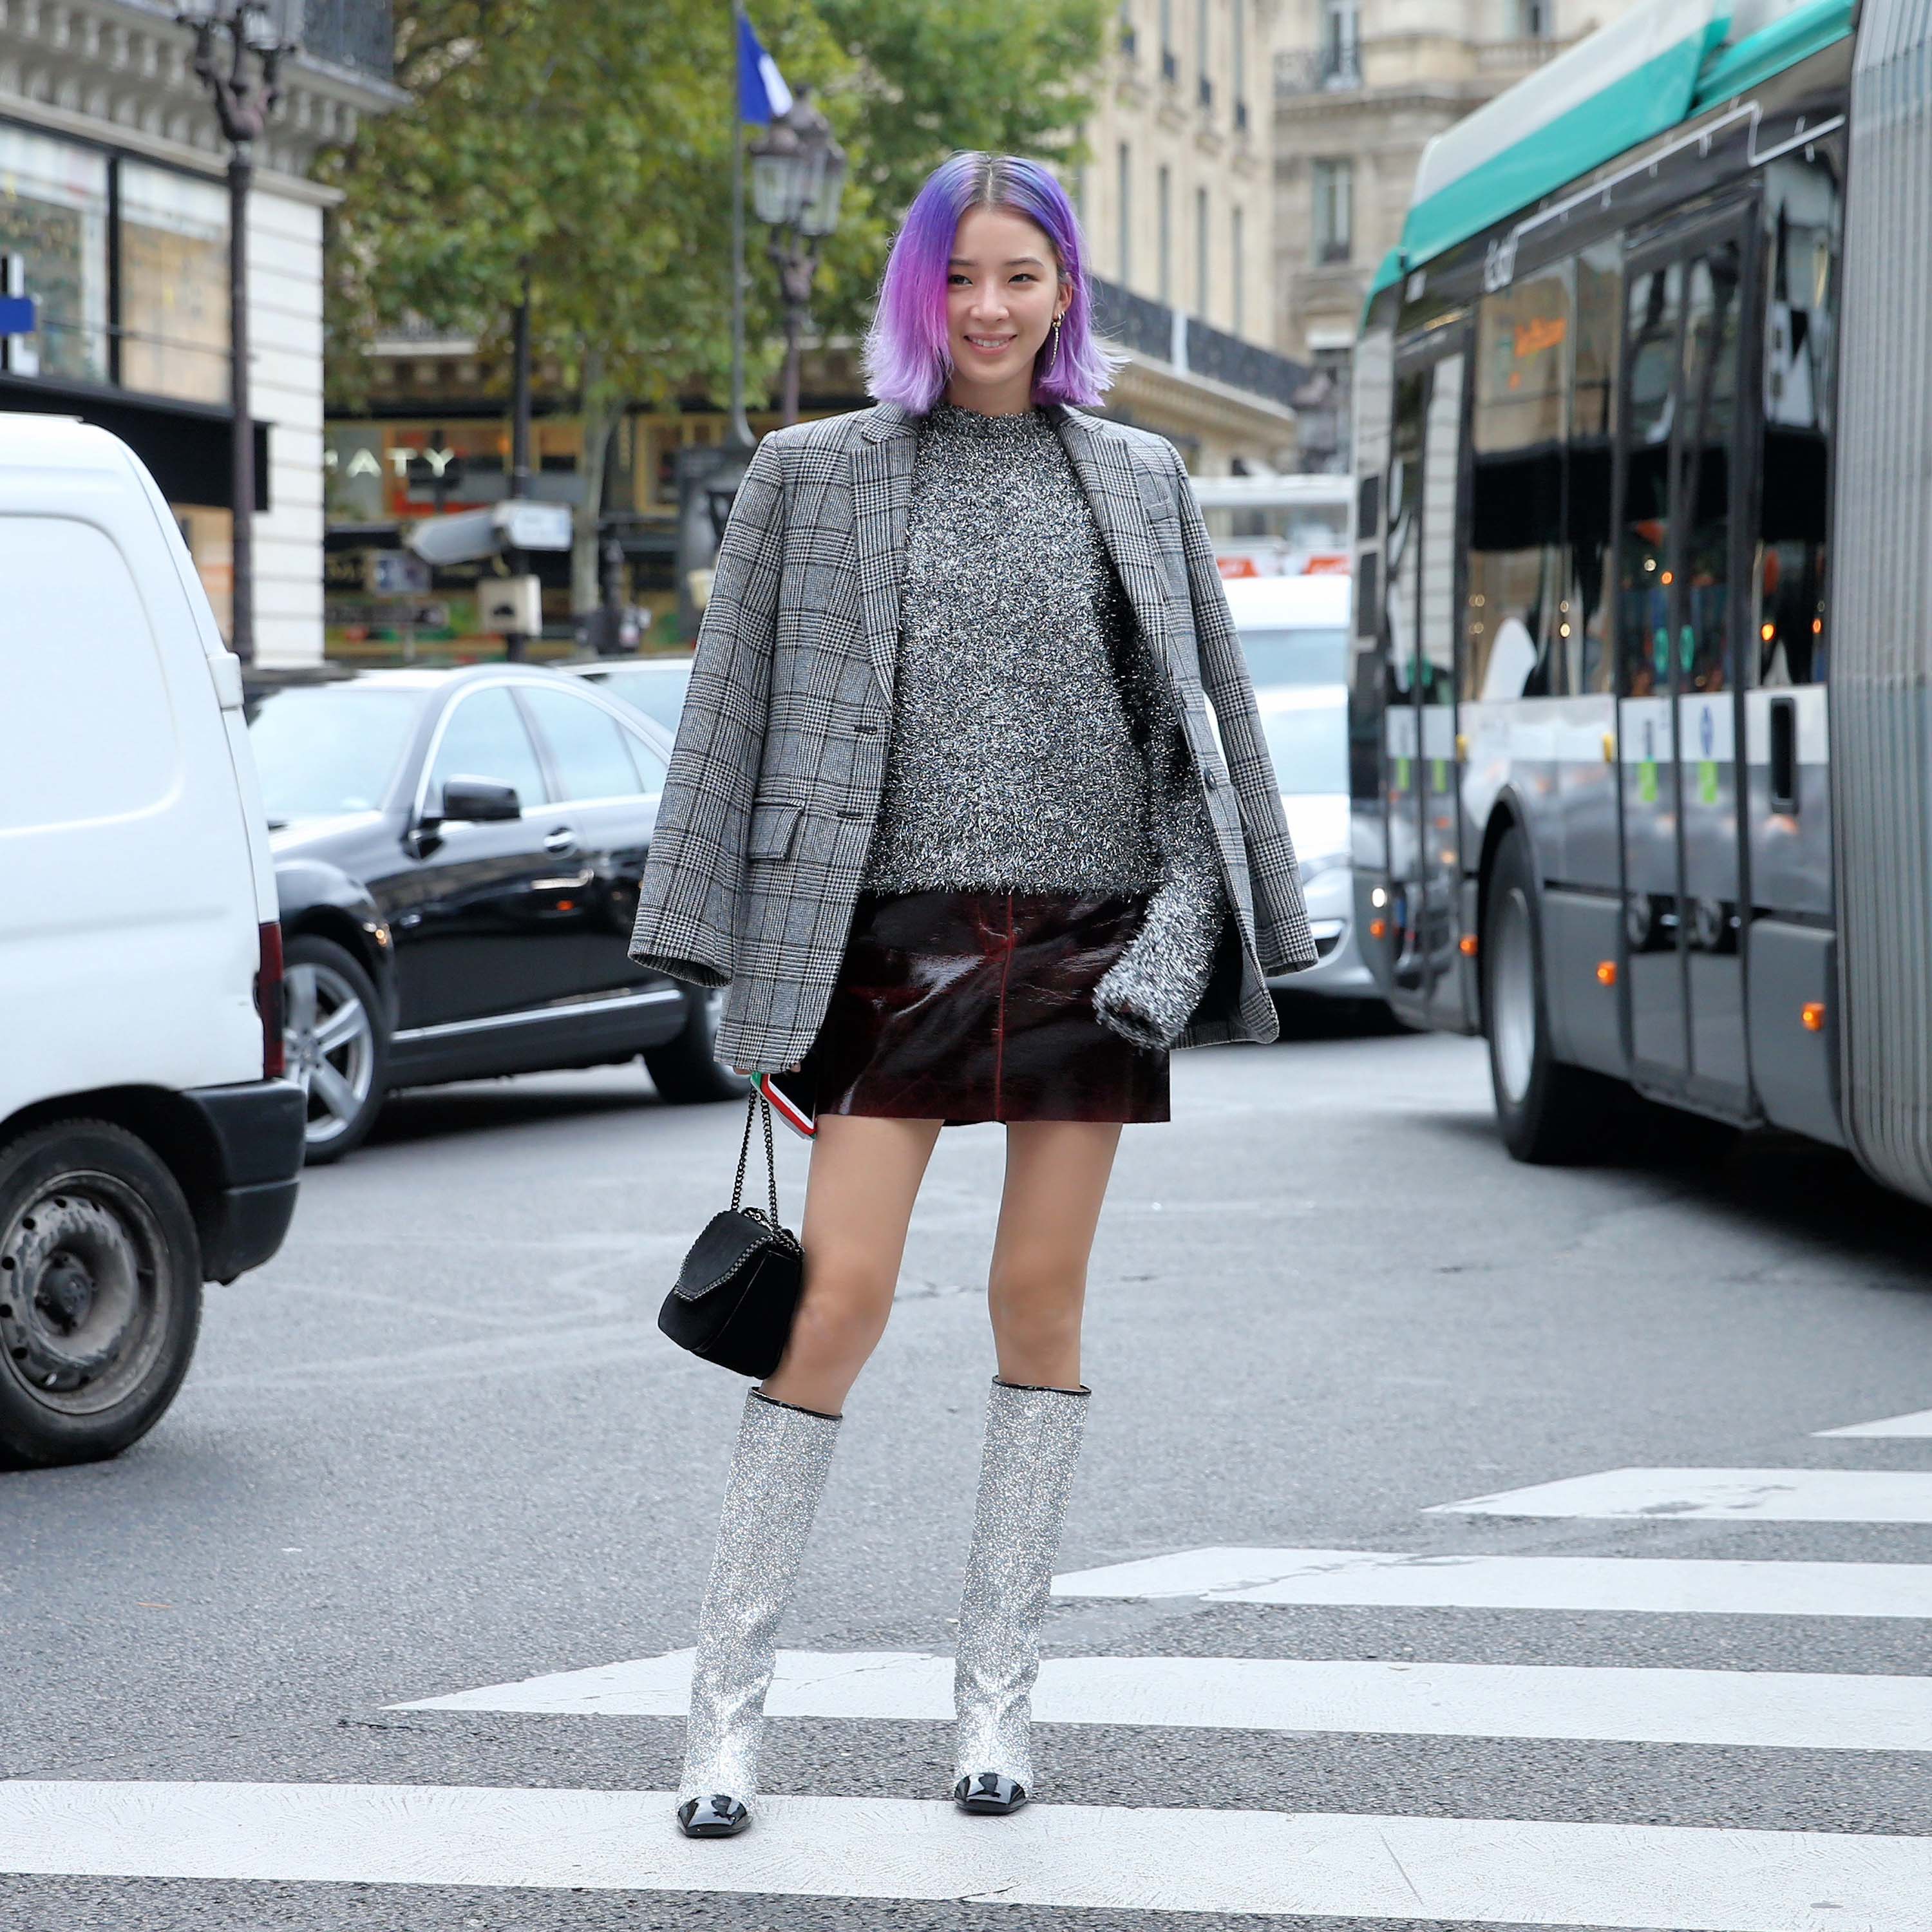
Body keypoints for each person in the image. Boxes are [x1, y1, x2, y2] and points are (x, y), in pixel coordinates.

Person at [627, 150, 1316, 1840]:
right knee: (838, 1298)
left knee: (1037, 1305)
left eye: (1022, 275)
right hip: (892, 942)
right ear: (916, 294)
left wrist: (1173, 956)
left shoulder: (1139, 474)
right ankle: (724, 1723)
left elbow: (1203, 744)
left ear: (1065, 288)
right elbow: (730, 714)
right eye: (961, 277)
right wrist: (718, 952)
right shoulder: (818, 474)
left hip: (1087, 947)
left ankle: (997, 1710)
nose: (990, 307)